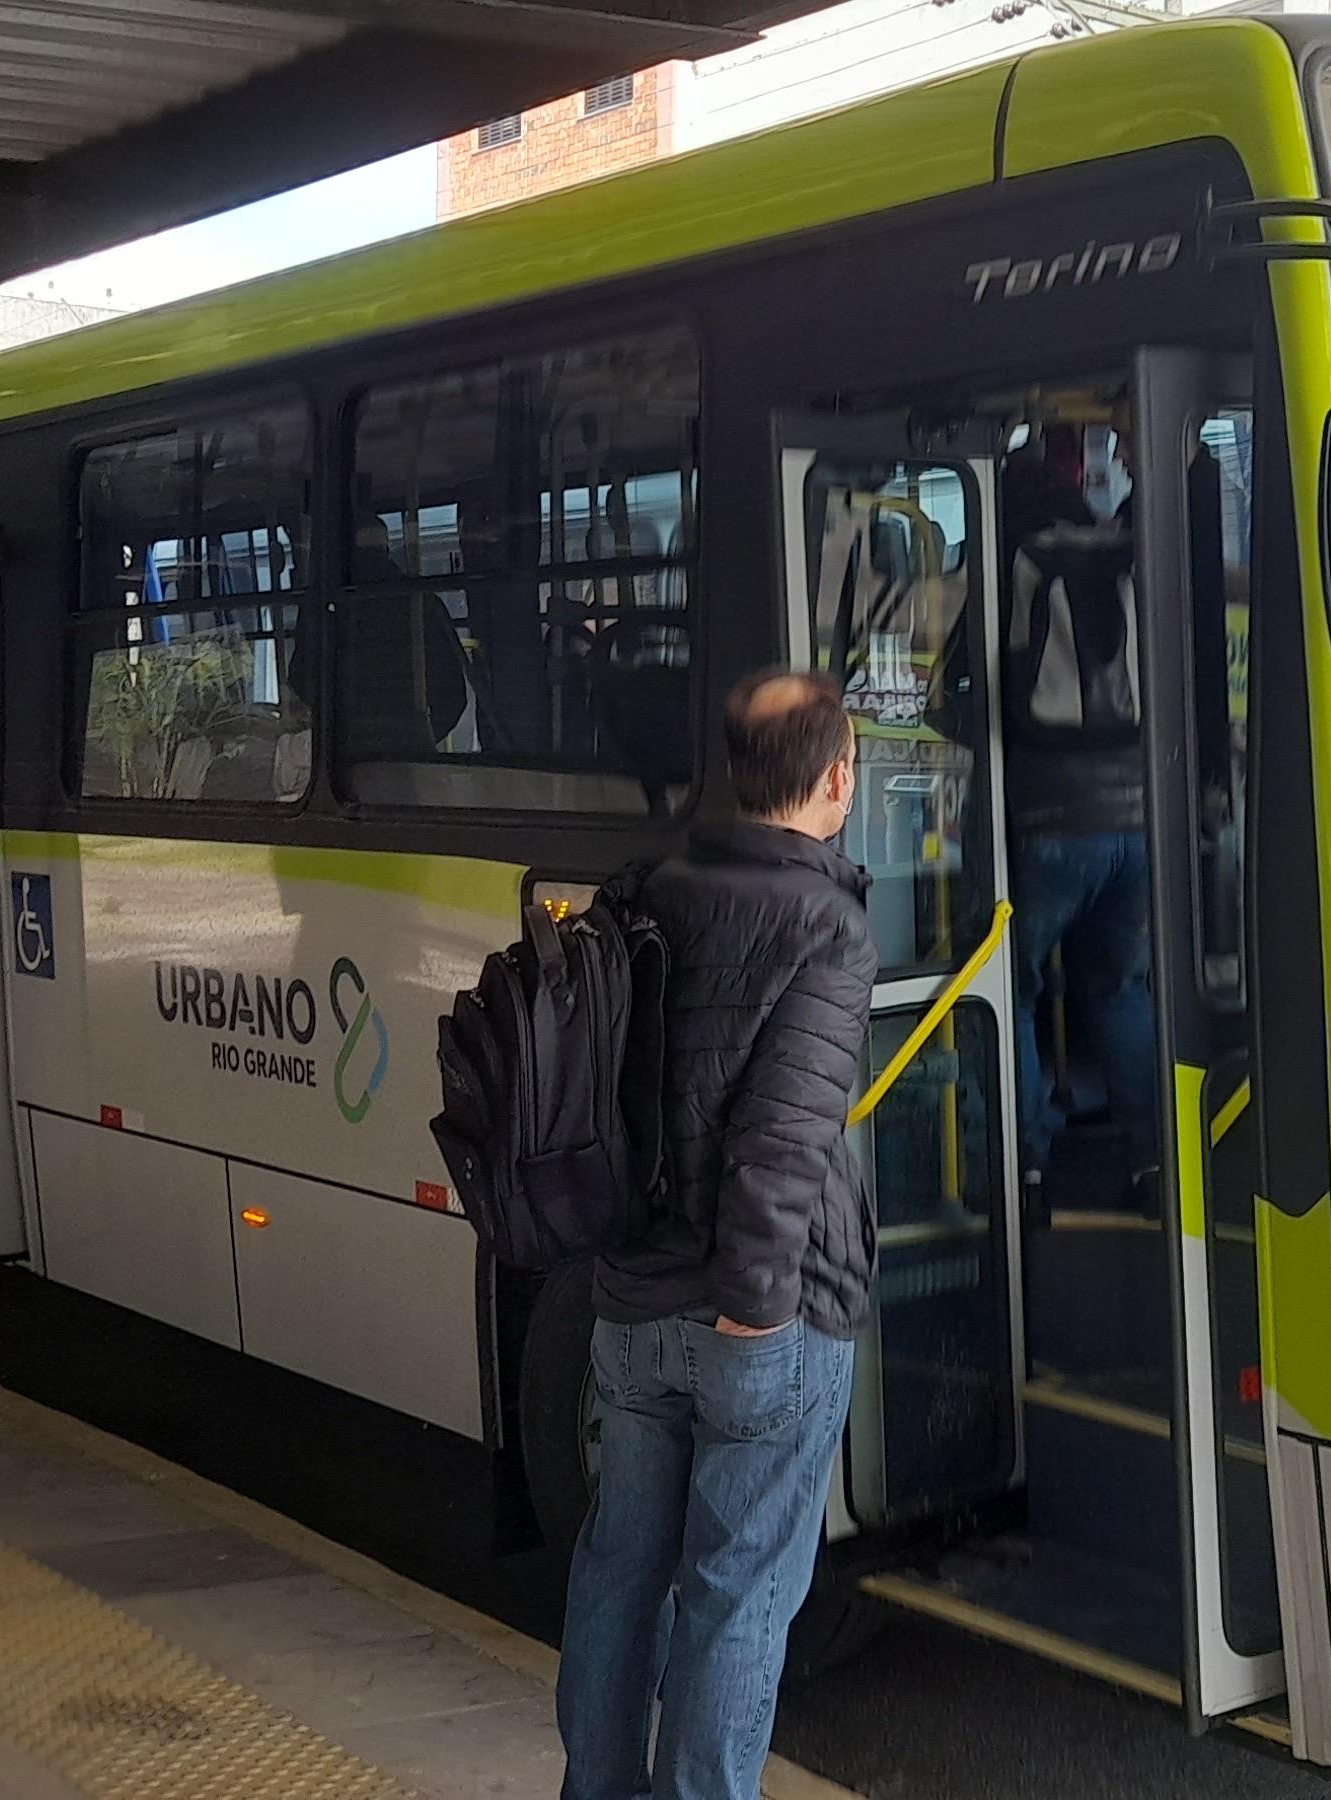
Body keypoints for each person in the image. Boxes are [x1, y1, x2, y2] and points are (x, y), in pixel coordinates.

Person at [558, 668, 877, 1800]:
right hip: (757, 1319)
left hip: (632, 1306)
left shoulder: (649, 886)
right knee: (735, 1599)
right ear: (837, 777)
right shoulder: (826, 925)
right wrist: (754, 1316)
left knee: (619, 1574)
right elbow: (780, 1149)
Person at [1000, 421, 1159, 1211]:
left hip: (1052, 813)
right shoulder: (1116, 545)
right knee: (1122, 989)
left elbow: (976, 675)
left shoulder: (1016, 555)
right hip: (1136, 810)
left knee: (1013, 991)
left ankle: (1026, 1167)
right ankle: (1152, 1164)